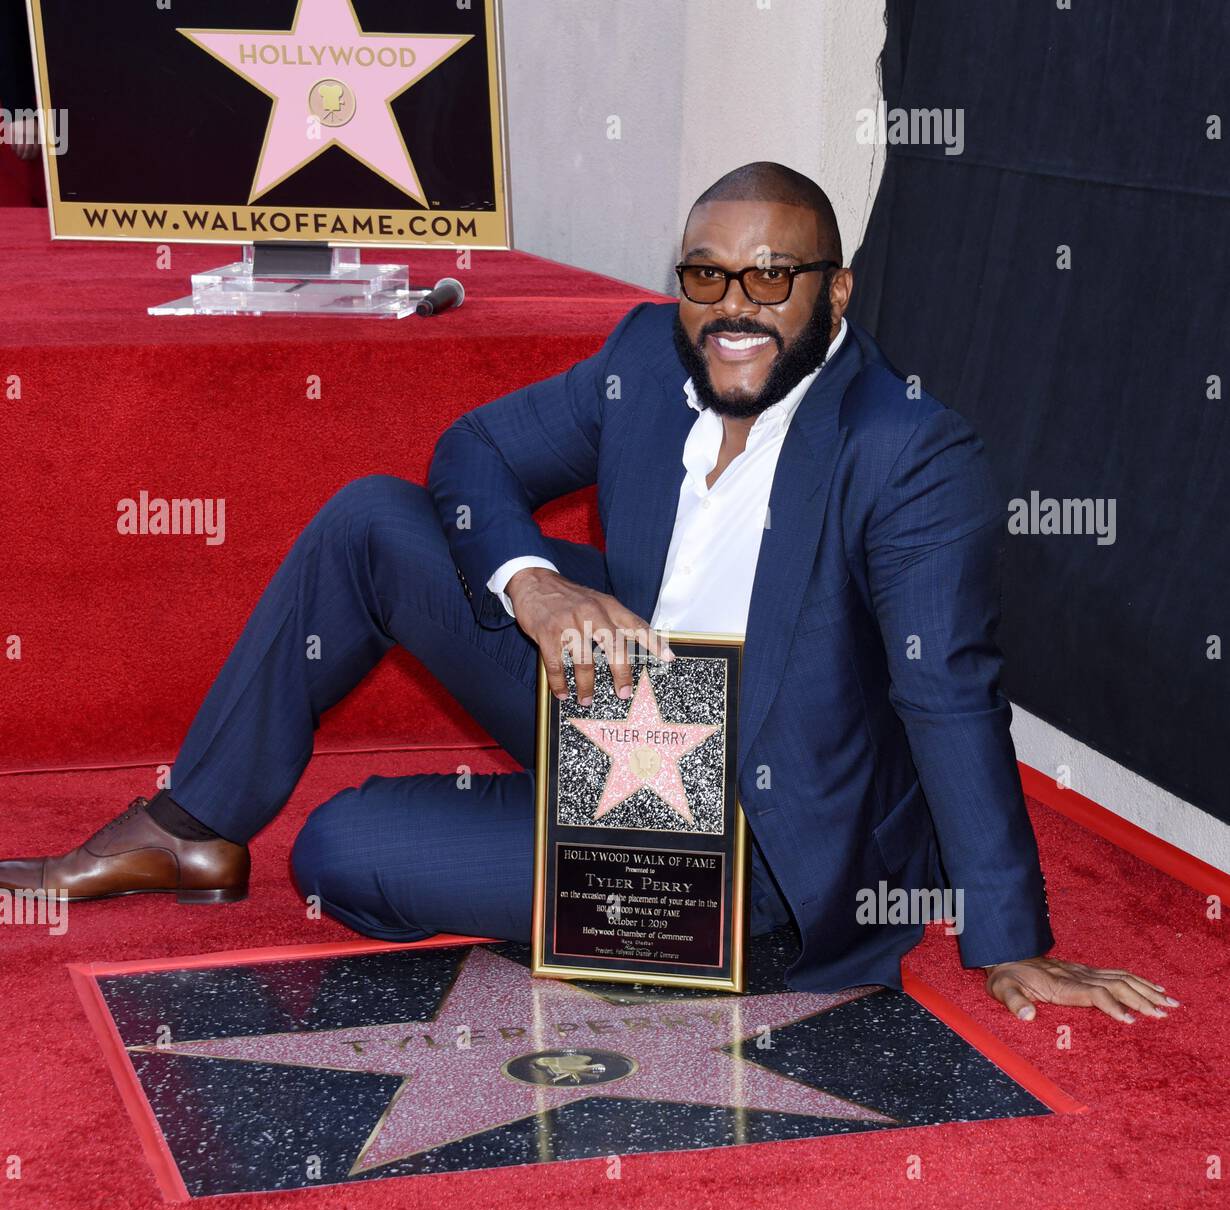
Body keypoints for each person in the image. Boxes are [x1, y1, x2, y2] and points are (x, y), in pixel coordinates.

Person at [0, 162, 1178, 1025]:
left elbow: (949, 695)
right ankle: (189, 831)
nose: (735, 306)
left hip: (746, 839)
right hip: (618, 693)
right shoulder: (641, 362)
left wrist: (1009, 937)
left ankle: (632, 907)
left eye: (773, 278)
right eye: (707, 273)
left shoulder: (911, 450)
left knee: (339, 851)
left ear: (838, 291)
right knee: (371, 516)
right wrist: (536, 591)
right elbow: (471, 453)